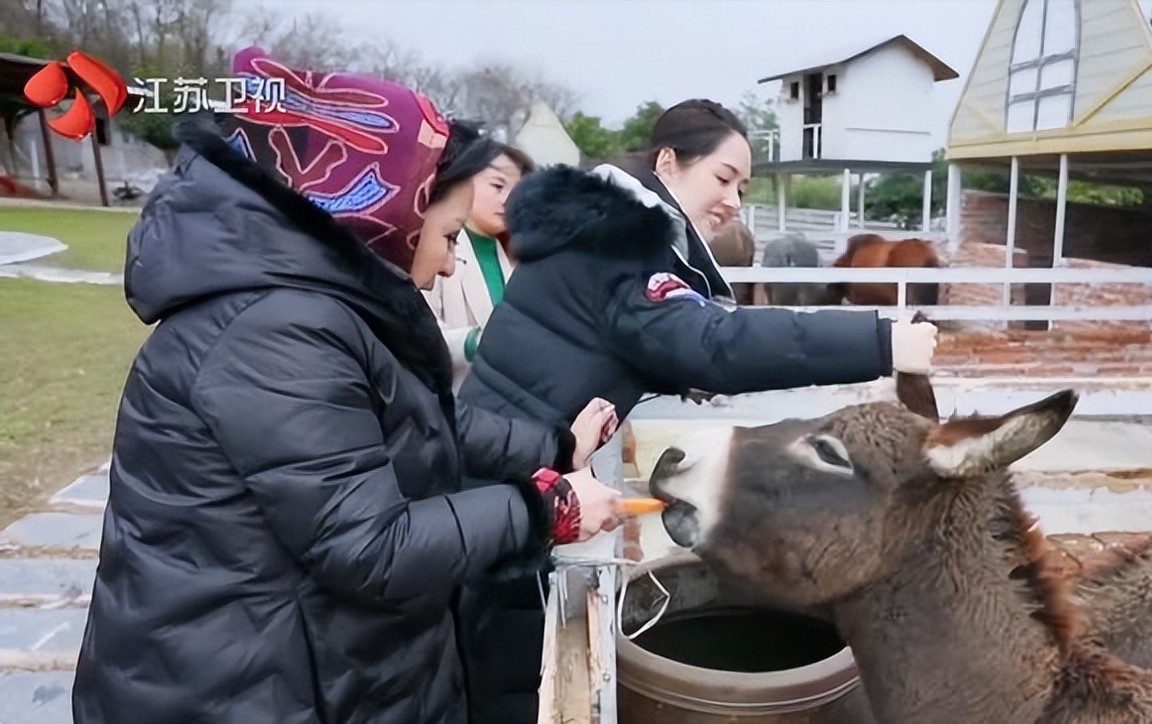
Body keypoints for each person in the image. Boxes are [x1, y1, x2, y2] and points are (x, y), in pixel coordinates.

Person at [71, 47, 621, 724]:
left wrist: (556, 447)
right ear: (386, 211)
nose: (450, 264)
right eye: (446, 234)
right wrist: (545, 510)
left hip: (317, 660)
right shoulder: (274, 330)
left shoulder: (323, 301)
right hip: (246, 685)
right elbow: (366, 545)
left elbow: (418, 422)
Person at [455, 98, 939, 722]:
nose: (733, 200)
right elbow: (713, 344)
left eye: (741, 185)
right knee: (514, 677)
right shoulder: (622, 250)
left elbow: (640, 339)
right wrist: (879, 341)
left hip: (506, 469)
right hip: (515, 489)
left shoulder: (599, 235)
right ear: (667, 163)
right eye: (722, 177)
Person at [424, 144, 535, 388]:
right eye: (497, 186)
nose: (507, 200)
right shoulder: (436, 250)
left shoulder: (518, 258)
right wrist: (474, 342)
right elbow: (418, 336)